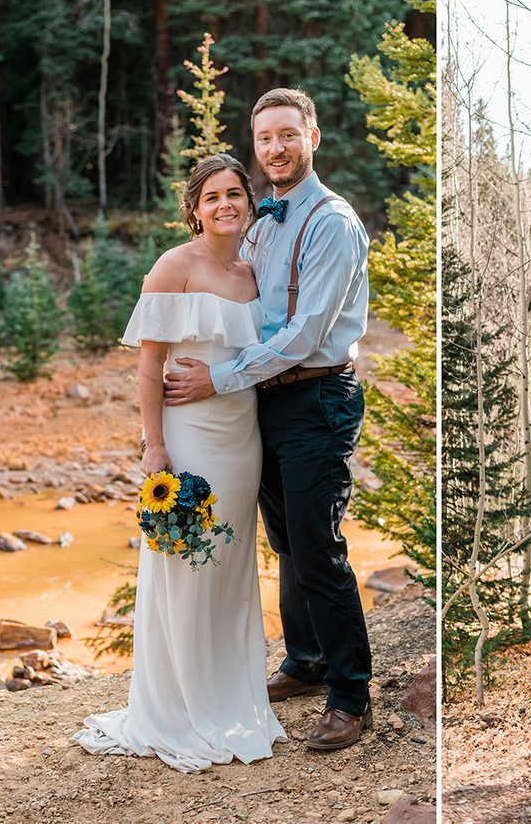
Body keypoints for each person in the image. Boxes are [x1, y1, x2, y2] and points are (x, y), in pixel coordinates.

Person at [163, 88, 373, 750]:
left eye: (288, 134)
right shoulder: (258, 223)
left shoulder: (333, 223)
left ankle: (349, 692)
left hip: (317, 397)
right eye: (265, 139)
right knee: (284, 541)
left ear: (313, 136)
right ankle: (305, 658)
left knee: (317, 546)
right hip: (267, 400)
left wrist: (217, 377)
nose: (276, 148)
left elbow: (309, 332)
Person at [73, 154, 287, 772]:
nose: (226, 205)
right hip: (189, 440)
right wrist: (155, 445)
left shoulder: (253, 271)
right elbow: (148, 365)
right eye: (212, 197)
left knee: (230, 569)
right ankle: (180, 706)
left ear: (249, 201)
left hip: (242, 442)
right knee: (186, 567)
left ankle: (230, 695)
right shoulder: (174, 267)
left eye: (235, 194)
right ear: (194, 209)